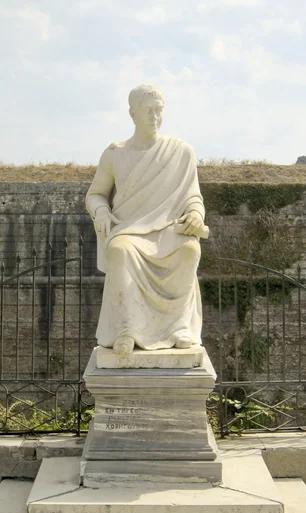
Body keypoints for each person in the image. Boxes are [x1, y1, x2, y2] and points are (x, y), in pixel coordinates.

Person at [86, 84, 207, 355]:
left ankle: (178, 327)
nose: (155, 117)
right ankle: (127, 328)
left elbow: (193, 197)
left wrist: (196, 215)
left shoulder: (181, 152)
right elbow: (95, 195)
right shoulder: (115, 154)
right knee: (118, 250)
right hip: (129, 230)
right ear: (132, 114)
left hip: (168, 229)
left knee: (189, 249)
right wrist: (101, 212)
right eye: (148, 111)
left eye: (159, 111)